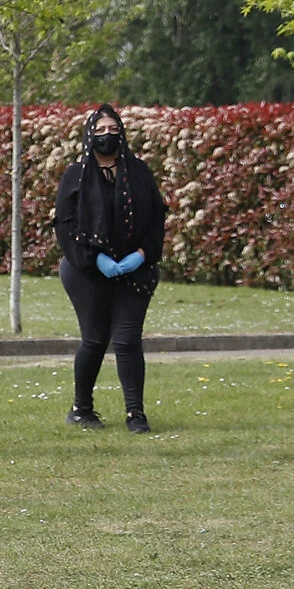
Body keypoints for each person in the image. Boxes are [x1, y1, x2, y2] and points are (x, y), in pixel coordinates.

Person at [53, 105, 168, 433]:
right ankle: (81, 408)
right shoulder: (75, 175)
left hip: (136, 269)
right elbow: (65, 224)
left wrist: (142, 254)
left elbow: (156, 217)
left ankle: (136, 414)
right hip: (85, 270)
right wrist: (94, 259)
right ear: (90, 135)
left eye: (113, 129)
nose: (107, 136)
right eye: (100, 130)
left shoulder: (139, 172)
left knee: (128, 339)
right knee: (95, 338)